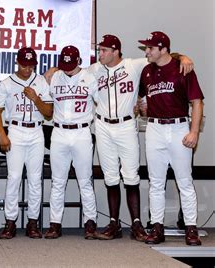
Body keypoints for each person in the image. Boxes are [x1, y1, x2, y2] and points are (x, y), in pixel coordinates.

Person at [44, 34, 193, 242]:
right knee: (110, 176)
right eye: (100, 50)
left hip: (125, 125)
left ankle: (136, 225)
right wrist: (53, 70)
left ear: (115, 51)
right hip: (103, 125)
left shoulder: (134, 65)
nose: (100, 54)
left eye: (104, 50)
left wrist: (184, 57)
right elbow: (72, 70)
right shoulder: (94, 69)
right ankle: (114, 224)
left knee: (131, 176)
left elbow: (164, 57)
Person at [138, 31, 204, 246]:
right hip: (155, 127)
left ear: (163, 49)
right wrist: (142, 107)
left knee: (184, 181)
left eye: (150, 48)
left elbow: (197, 102)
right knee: (156, 182)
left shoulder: (182, 68)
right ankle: (157, 227)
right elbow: (143, 103)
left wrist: (193, 132)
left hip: (178, 127)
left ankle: (191, 227)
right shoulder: (147, 71)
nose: (146, 51)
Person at [0, 47, 53, 239]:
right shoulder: (7, 83)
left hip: (36, 130)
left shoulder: (41, 81)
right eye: (24, 64)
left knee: (35, 179)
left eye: (31, 65)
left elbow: (49, 112)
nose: (27, 68)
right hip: (16, 130)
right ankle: (10, 222)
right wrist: (2, 133)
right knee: (14, 178)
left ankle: (32, 222)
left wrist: (35, 98)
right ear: (17, 62)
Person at [45, 45, 99, 239]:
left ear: (78, 61)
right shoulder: (55, 76)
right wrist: (50, 72)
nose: (66, 67)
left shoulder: (89, 77)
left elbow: (101, 103)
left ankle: (90, 222)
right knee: (58, 181)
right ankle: (55, 223)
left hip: (81, 131)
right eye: (63, 64)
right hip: (59, 132)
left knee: (85, 181)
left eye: (70, 63)